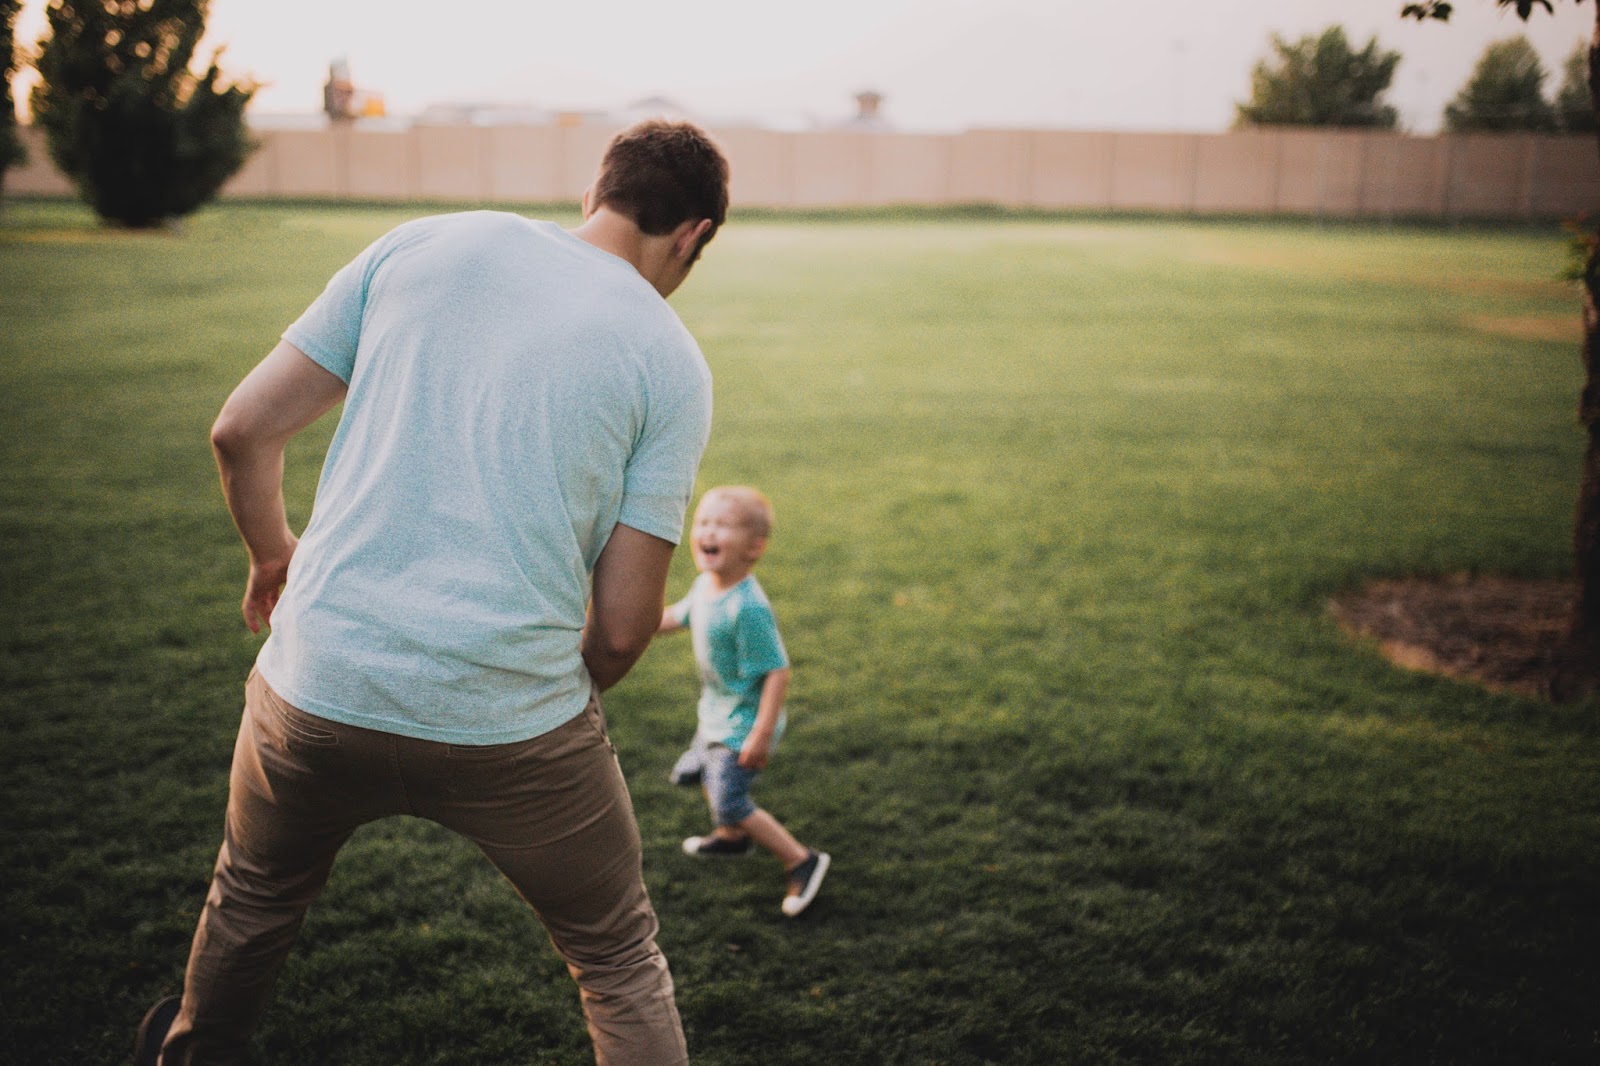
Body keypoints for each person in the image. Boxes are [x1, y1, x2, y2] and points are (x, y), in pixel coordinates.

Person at [134, 119, 729, 1066]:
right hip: (515, 730)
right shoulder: (670, 360)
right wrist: (524, 692)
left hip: (316, 685)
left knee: (251, 900)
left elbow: (242, 431)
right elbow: (620, 631)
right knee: (616, 958)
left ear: (596, 192)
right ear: (692, 236)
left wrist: (270, 554)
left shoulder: (425, 241)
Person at [657, 487, 829, 918]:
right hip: (716, 713)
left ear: (754, 547)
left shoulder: (747, 607)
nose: (706, 531)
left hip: (743, 723)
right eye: (702, 522)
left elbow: (777, 670)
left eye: (722, 525)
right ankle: (732, 838)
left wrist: (762, 732)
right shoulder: (705, 586)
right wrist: (619, 621)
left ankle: (801, 860)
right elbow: (675, 617)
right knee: (705, 775)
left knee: (730, 797)